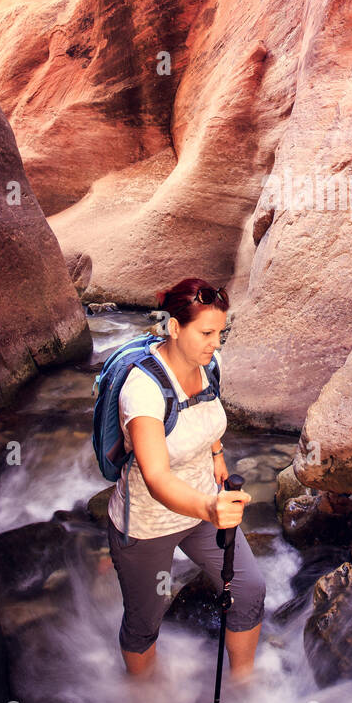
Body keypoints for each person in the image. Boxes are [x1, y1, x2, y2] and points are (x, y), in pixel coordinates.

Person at [106, 278, 266, 681]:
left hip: (201, 511)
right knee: (146, 621)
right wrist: (210, 507)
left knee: (248, 591)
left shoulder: (209, 364)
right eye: (206, 333)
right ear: (174, 328)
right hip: (148, 524)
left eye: (220, 333)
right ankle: (143, 700)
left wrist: (216, 454)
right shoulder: (143, 391)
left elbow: (208, 415)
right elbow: (157, 478)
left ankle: (243, 685)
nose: (216, 343)